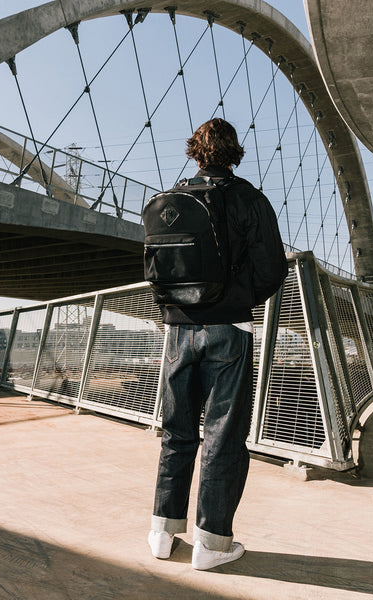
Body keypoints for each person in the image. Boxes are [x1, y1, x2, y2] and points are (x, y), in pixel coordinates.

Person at [147, 118, 288, 570]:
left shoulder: (170, 201)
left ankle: (162, 534)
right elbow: (272, 270)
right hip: (229, 330)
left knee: (177, 432)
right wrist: (234, 300)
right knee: (222, 436)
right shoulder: (249, 198)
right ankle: (212, 544)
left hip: (177, 331)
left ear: (194, 152)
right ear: (234, 153)